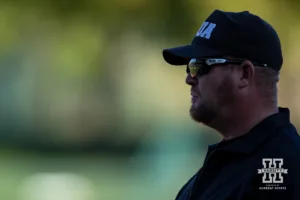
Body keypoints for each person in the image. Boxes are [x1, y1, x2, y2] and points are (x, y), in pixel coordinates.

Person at [162, 9, 300, 200]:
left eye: (199, 66)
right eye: (189, 66)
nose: (189, 78)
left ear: (244, 74)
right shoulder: (223, 164)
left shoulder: (283, 169)